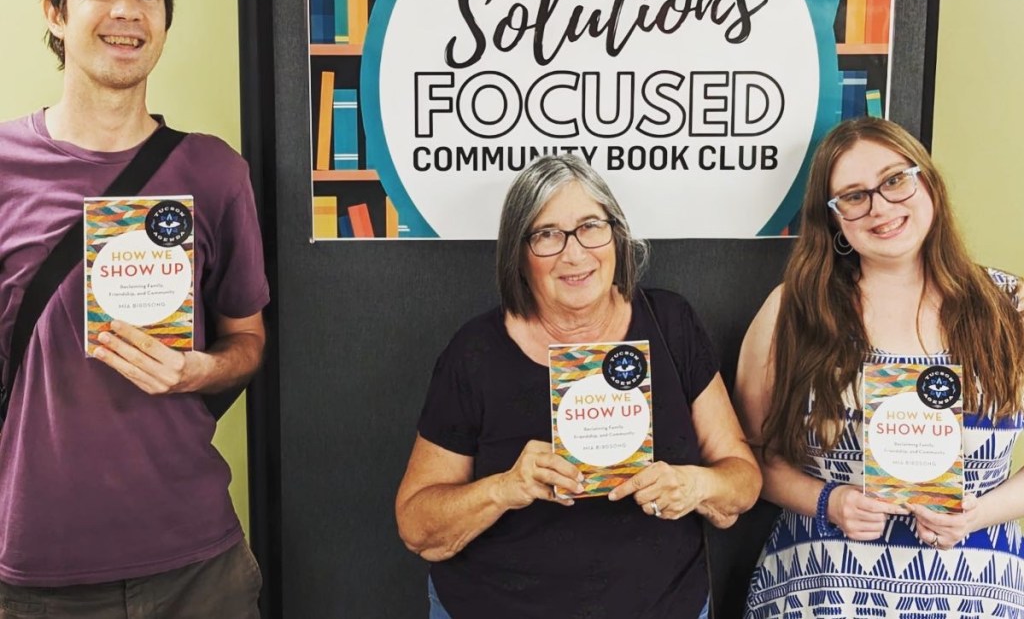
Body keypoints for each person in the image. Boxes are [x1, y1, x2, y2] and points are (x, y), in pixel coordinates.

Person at [0, 0, 269, 616]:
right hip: (36, 571)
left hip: (198, 567)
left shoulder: (215, 173)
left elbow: (247, 339)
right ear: (55, 12)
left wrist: (201, 370)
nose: (127, 10)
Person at [395, 154, 761, 618]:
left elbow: (743, 481)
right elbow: (417, 526)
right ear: (518, 255)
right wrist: (505, 488)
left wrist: (694, 484)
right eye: (547, 234)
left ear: (617, 235)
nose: (574, 253)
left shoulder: (670, 324)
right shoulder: (476, 352)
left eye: (590, 226)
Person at [735, 117, 1024, 618]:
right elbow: (745, 456)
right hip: (821, 591)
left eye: (894, 180)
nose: (880, 206)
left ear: (927, 181)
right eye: (854, 196)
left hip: (978, 592)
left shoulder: (1009, 305)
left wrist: (979, 514)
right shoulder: (793, 310)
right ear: (833, 219)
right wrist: (828, 502)